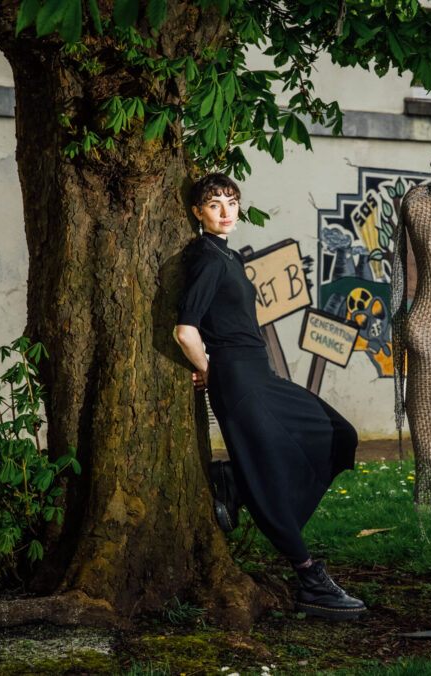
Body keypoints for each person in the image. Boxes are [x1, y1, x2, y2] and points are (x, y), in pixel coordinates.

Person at [174, 173, 366, 620]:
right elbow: (185, 330)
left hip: (257, 375)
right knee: (270, 477)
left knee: (339, 434)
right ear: (196, 212)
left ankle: (234, 481)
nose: (225, 212)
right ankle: (311, 580)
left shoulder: (227, 256)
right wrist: (207, 368)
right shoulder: (207, 258)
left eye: (231, 202)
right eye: (214, 204)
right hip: (238, 379)